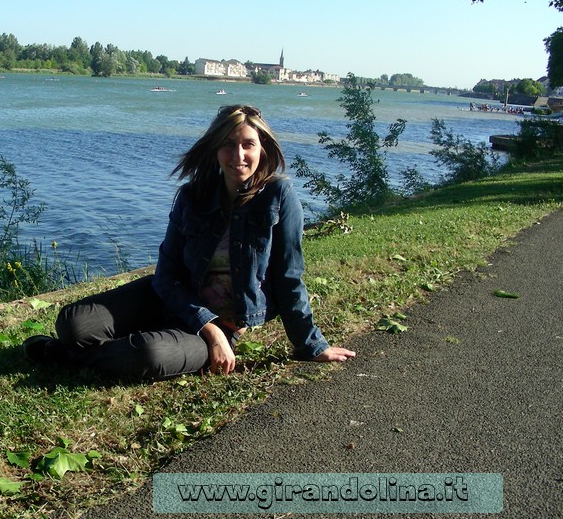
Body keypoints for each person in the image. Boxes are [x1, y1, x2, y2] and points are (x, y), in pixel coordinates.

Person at [23, 105, 355, 380]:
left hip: (226, 323)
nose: (238, 154)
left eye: (247, 144)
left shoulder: (279, 197)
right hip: (172, 301)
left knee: (147, 354)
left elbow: (288, 277)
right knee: (73, 322)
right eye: (227, 144)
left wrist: (311, 346)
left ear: (262, 148)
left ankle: (68, 356)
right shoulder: (192, 197)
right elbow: (165, 275)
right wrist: (208, 329)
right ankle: (92, 347)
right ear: (215, 149)